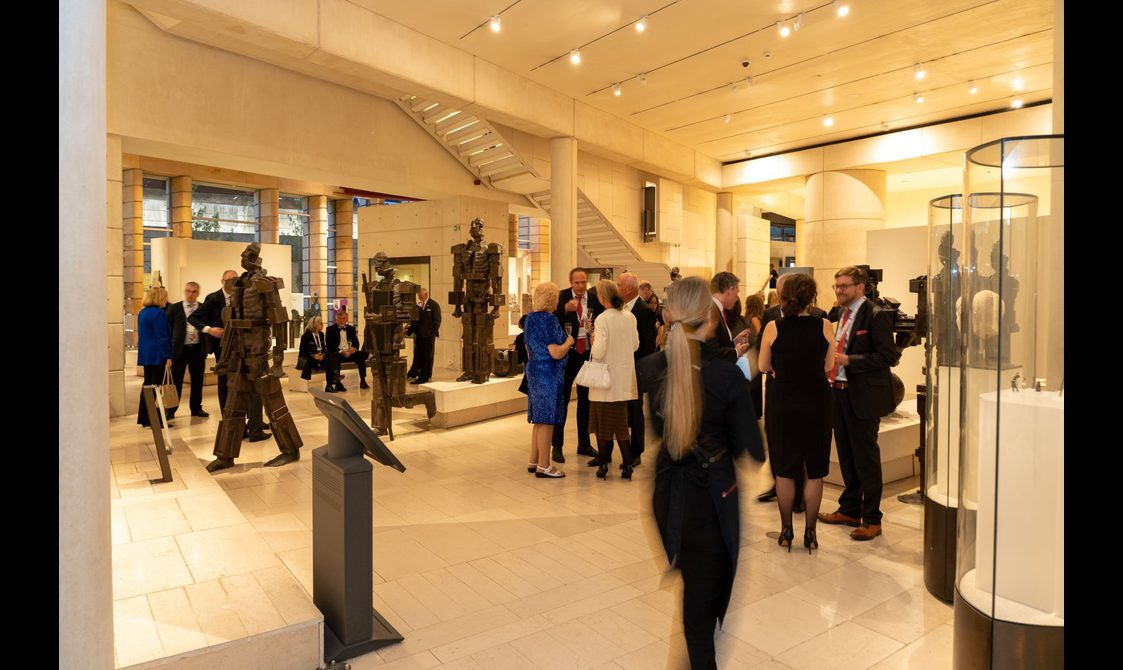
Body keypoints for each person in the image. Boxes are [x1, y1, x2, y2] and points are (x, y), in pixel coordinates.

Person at [638, 276, 764, 670]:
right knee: (700, 622)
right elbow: (753, 452)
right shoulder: (727, 377)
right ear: (710, 319)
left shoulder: (652, 370)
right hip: (711, 505)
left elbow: (661, 435)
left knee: (693, 601)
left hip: (668, 504)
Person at [819, 266, 901, 541]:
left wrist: (849, 361)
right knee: (846, 455)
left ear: (860, 287)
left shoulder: (875, 315)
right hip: (839, 393)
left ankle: (872, 518)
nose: (839, 290)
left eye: (844, 286)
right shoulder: (841, 314)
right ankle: (850, 508)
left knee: (866, 458)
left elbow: (888, 357)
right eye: (836, 286)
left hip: (863, 396)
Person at [757, 274, 836, 553]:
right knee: (815, 470)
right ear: (811, 297)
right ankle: (811, 534)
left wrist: (781, 367)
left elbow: (763, 364)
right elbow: (828, 366)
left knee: (784, 470)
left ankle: (786, 530)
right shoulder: (825, 325)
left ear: (783, 296)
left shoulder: (773, 327)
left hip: (783, 402)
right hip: (817, 401)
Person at [586, 279, 639, 479]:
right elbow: (635, 345)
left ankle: (603, 465)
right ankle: (627, 465)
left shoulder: (602, 319)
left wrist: (593, 341)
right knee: (621, 425)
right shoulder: (629, 316)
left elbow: (598, 352)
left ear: (602, 297)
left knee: (602, 424)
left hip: (604, 381)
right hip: (623, 379)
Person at [552, 268, 603, 463]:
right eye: (577, 283)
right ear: (571, 282)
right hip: (567, 353)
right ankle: (557, 445)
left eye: (583, 282)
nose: (581, 286)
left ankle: (584, 443)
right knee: (562, 399)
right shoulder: (562, 297)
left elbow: (600, 321)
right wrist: (565, 310)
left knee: (585, 400)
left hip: (587, 353)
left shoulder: (594, 298)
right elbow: (552, 319)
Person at [524, 282, 573, 478]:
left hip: (534, 370)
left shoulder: (529, 319)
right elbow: (556, 352)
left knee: (539, 418)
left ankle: (533, 460)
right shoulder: (550, 320)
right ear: (553, 299)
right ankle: (544, 465)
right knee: (547, 419)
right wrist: (569, 341)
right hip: (548, 373)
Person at [611, 272, 657, 467]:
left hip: (635, 368)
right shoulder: (619, 308)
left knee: (635, 410)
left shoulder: (643, 310)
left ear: (628, 288)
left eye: (619, 284)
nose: (616, 287)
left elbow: (648, 344)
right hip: (620, 366)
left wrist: (633, 363)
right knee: (621, 410)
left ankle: (636, 451)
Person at [166, 281, 208, 419]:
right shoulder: (174, 308)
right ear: (185, 292)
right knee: (176, 381)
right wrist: (167, 352)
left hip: (197, 349)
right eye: (188, 291)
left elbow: (208, 327)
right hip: (179, 349)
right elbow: (168, 330)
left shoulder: (203, 308)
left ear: (198, 293)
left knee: (197, 380)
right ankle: (171, 410)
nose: (190, 294)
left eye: (194, 292)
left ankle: (196, 408)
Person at [136, 286, 173, 428]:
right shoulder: (158, 313)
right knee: (157, 387)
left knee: (148, 385)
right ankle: (156, 419)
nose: (166, 300)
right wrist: (167, 356)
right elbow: (162, 337)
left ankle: (145, 418)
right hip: (157, 354)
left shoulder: (142, 313)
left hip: (146, 354)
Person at [326, 310, 368, 392]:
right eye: (339, 318)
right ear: (336, 319)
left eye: (343, 318)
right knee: (333, 356)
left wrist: (354, 348)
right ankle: (338, 383)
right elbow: (329, 346)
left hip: (349, 353)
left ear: (346, 319)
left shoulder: (351, 329)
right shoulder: (330, 329)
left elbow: (356, 343)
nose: (341, 320)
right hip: (338, 353)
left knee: (362, 355)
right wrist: (341, 351)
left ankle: (363, 381)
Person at [406, 287, 441, 384]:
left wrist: (432, 334)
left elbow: (437, 321)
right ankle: (416, 373)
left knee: (427, 357)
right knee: (418, 356)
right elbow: (415, 322)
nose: (418, 296)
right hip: (419, 336)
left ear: (425, 295)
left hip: (428, 336)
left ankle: (424, 377)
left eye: (420, 295)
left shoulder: (433, 305)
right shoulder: (418, 306)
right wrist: (408, 331)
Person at [742, 293, 766, 421]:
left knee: (752, 386)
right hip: (753, 355)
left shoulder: (754, 319)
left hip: (753, 354)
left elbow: (759, 335)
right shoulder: (755, 318)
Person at [298, 316, 329, 389]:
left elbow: (323, 348)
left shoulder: (321, 334)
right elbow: (303, 351)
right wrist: (313, 355)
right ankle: (304, 383)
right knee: (308, 361)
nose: (322, 325)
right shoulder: (306, 335)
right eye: (320, 323)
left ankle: (332, 381)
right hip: (309, 358)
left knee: (331, 357)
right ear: (315, 325)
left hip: (320, 357)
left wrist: (323, 355)